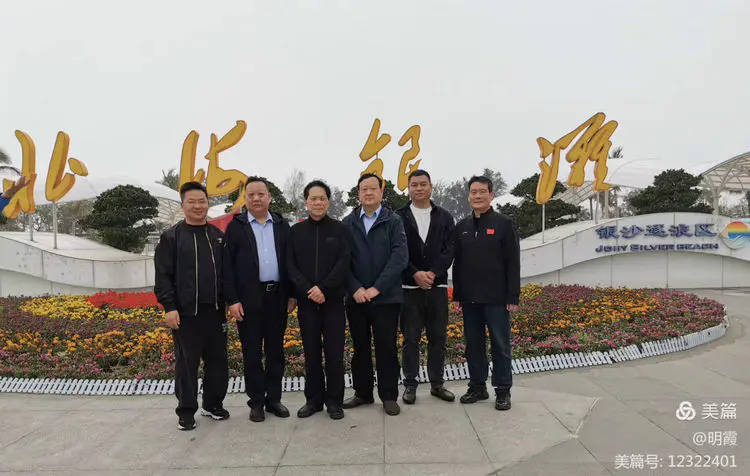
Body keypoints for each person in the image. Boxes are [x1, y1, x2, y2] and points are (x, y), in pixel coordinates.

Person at [154, 181, 230, 431]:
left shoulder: (218, 237)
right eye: (192, 202)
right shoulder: (171, 237)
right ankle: (186, 411)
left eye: (202, 201)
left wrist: (229, 301)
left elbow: (227, 274)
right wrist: (169, 307)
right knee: (187, 365)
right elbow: (163, 276)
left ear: (208, 203)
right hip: (186, 314)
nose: (198, 206)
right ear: (183, 205)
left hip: (215, 312)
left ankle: (212, 404)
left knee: (218, 362)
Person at [224, 176, 296, 422]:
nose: (256, 198)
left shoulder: (282, 225)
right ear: (245, 199)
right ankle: (256, 402)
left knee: (276, 352)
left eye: (260, 194)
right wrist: (232, 300)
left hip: (277, 298)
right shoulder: (236, 227)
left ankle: (274, 399)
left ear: (269, 197)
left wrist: (292, 294)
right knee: (252, 353)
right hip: (248, 300)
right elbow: (227, 267)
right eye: (251, 195)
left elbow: (291, 262)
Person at [342, 173, 408, 416]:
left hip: (386, 298)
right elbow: (342, 261)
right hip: (356, 298)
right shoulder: (348, 222)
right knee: (360, 347)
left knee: (386, 347)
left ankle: (389, 396)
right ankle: (363, 393)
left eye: (373, 188)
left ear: (381, 192)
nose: (368, 193)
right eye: (363, 189)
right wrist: (355, 288)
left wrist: (376, 288)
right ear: (358, 193)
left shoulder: (393, 221)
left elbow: (399, 257)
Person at [452, 175, 521, 411]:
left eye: (482, 191)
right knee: (473, 345)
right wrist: (457, 294)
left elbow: (513, 262)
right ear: (468, 196)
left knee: (500, 345)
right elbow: (458, 264)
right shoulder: (462, 227)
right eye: (473, 192)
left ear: (491, 195)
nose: (477, 196)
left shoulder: (504, 224)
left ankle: (502, 390)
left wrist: (513, 296)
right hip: (470, 299)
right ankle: (477, 387)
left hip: (496, 298)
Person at [286, 180, 350, 420]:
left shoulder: (340, 229)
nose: (317, 202)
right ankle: (313, 400)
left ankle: (334, 401)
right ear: (306, 202)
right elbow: (290, 265)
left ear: (328, 202)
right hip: (307, 303)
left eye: (322, 198)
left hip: (333, 302)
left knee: (334, 354)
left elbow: (344, 262)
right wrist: (308, 289)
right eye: (313, 198)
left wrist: (323, 288)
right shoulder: (295, 232)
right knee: (311, 353)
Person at [395, 170, 456, 405]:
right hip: (409, 289)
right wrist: (414, 273)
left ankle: (437, 384)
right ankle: (410, 385)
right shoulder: (398, 217)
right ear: (408, 189)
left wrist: (433, 273)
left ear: (431, 187)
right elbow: (397, 250)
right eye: (414, 185)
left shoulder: (445, 216)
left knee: (437, 338)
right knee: (410, 339)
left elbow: (449, 249)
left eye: (423, 184)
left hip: (437, 287)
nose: (419, 188)